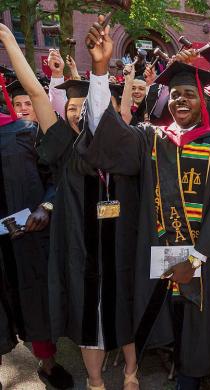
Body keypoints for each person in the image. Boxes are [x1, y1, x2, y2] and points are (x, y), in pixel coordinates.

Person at [80, 16, 210, 390]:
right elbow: (106, 138)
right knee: (180, 342)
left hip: (206, 265)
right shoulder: (150, 140)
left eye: (190, 94)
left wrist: (196, 260)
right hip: (161, 267)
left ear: (204, 100)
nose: (182, 100)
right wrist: (100, 70)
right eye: (177, 94)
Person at [0, 24, 74, 389]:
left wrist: (48, 204)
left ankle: (46, 364)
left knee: (34, 301)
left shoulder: (21, 133)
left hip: (25, 236)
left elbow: (58, 175)